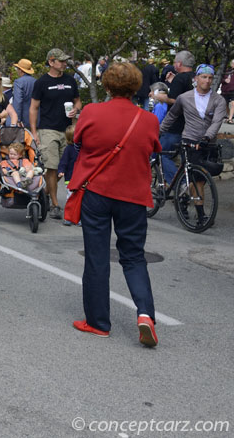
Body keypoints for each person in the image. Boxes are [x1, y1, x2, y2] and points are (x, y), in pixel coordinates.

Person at [70, 62, 161, 347]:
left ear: (107, 86)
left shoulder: (92, 112)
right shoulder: (148, 119)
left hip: (97, 191)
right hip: (133, 195)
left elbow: (77, 142)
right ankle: (145, 314)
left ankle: (98, 322)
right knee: (134, 257)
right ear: (136, 87)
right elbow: (152, 151)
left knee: (97, 256)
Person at [159, 64, 226, 227]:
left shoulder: (219, 100)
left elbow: (217, 121)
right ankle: (201, 215)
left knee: (201, 180)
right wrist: (159, 132)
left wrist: (207, 137)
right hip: (189, 141)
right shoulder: (185, 97)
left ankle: (183, 195)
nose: (207, 80)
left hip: (208, 144)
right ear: (196, 79)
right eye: (204, 77)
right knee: (197, 180)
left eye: (210, 78)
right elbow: (172, 116)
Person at [30, 48, 81, 219]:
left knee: (63, 168)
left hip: (67, 130)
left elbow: (78, 101)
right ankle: (55, 204)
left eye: (65, 61)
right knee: (51, 167)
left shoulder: (70, 80)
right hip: (47, 129)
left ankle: (44, 191)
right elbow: (34, 107)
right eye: (61, 61)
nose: (65, 64)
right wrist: (34, 132)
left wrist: (76, 109)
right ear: (51, 62)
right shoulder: (42, 82)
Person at [153, 50, 196, 185]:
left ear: (179, 64)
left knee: (162, 152)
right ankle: (188, 185)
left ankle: (177, 184)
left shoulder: (180, 78)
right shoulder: (196, 77)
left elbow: (174, 100)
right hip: (192, 124)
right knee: (186, 157)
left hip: (176, 124)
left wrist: (159, 97)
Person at [11, 58, 36, 130]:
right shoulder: (36, 81)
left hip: (24, 120)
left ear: (21, 70)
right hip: (36, 119)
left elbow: (18, 101)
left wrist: (17, 119)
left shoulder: (18, 82)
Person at [221, 59, 234, 124]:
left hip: (233, 91)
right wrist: (224, 80)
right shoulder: (226, 71)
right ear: (231, 64)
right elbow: (220, 79)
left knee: (233, 104)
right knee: (225, 104)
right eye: (233, 63)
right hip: (225, 91)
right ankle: (229, 116)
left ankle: (230, 118)